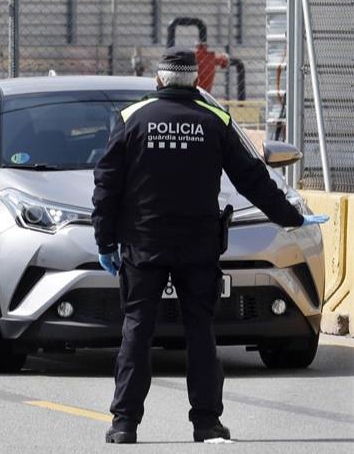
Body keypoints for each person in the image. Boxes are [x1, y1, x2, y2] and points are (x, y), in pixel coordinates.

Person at [92, 47, 329, 444]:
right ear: (197, 82)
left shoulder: (133, 118)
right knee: (200, 332)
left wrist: (105, 240)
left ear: (159, 80)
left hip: (143, 245)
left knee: (137, 330)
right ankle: (207, 423)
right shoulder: (214, 120)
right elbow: (252, 179)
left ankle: (124, 424)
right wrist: (291, 216)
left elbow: (107, 184)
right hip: (198, 247)